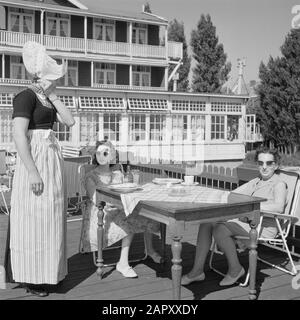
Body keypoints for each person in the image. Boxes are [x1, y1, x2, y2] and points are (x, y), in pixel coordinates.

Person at [9, 41, 75, 297]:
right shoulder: (25, 97)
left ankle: (49, 272)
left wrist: (54, 95)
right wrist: (33, 172)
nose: (57, 80)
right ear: (42, 76)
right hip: (35, 162)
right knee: (33, 220)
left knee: (51, 218)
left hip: (51, 162)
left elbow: (69, 121)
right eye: (54, 77)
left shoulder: (48, 99)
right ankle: (31, 277)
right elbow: (18, 135)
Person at [181, 146, 288, 286]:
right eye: (261, 163)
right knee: (207, 222)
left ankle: (235, 270)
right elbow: (233, 194)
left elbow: (279, 207)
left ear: (276, 165)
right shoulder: (256, 181)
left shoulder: (278, 183)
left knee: (220, 229)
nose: (264, 167)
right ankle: (197, 271)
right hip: (248, 221)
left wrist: (250, 209)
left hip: (264, 227)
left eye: (269, 163)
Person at [80, 140, 162, 278]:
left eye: (105, 153)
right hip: (100, 212)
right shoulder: (91, 177)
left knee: (148, 215)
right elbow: (95, 200)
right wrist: (111, 205)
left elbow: (126, 193)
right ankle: (123, 263)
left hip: (118, 208)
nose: (101, 156)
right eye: (98, 153)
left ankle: (150, 250)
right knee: (128, 220)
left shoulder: (118, 174)